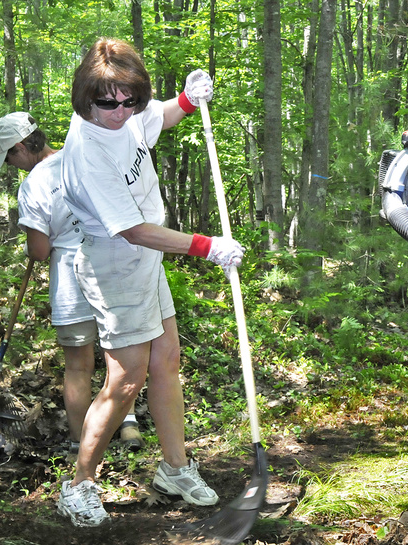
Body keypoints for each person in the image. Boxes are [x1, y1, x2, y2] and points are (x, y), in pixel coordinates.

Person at [56, 38, 245, 528]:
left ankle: (174, 468)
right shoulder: (86, 149)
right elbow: (130, 229)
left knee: (167, 359)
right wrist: (206, 246)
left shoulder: (127, 113)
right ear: (86, 96)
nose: (120, 111)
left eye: (129, 99)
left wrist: (184, 101)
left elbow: (150, 121)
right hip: (115, 260)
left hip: (144, 260)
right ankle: (79, 485)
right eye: (107, 102)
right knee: (125, 378)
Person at [0, 112, 145, 454]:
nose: (14, 165)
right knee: (117, 354)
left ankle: (81, 445)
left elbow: (40, 250)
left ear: (20, 147)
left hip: (72, 276)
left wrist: (33, 243)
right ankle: (128, 424)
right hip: (113, 264)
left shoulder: (33, 185)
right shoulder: (85, 155)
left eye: (11, 157)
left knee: (78, 366)